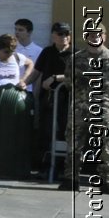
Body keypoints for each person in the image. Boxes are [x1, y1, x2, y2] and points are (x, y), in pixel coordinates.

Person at [0, 33, 35, 179]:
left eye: (10, 52)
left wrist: (24, 80)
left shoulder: (17, 58)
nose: (7, 55)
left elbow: (31, 64)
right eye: (5, 52)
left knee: (12, 134)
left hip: (12, 102)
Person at [65, 20, 109, 191]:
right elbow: (69, 82)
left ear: (104, 37)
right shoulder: (75, 59)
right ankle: (71, 179)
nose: (95, 38)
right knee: (74, 143)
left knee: (106, 145)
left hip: (103, 108)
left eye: (98, 35)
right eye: (91, 35)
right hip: (79, 107)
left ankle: (107, 181)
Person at [32, 23, 73, 176]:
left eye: (67, 33)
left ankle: (62, 168)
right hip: (48, 100)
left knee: (64, 132)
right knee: (46, 132)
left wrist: (56, 78)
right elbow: (36, 72)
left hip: (66, 101)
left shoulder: (74, 53)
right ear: (53, 35)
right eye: (61, 34)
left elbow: (77, 74)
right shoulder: (47, 52)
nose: (64, 37)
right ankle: (45, 166)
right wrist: (23, 83)